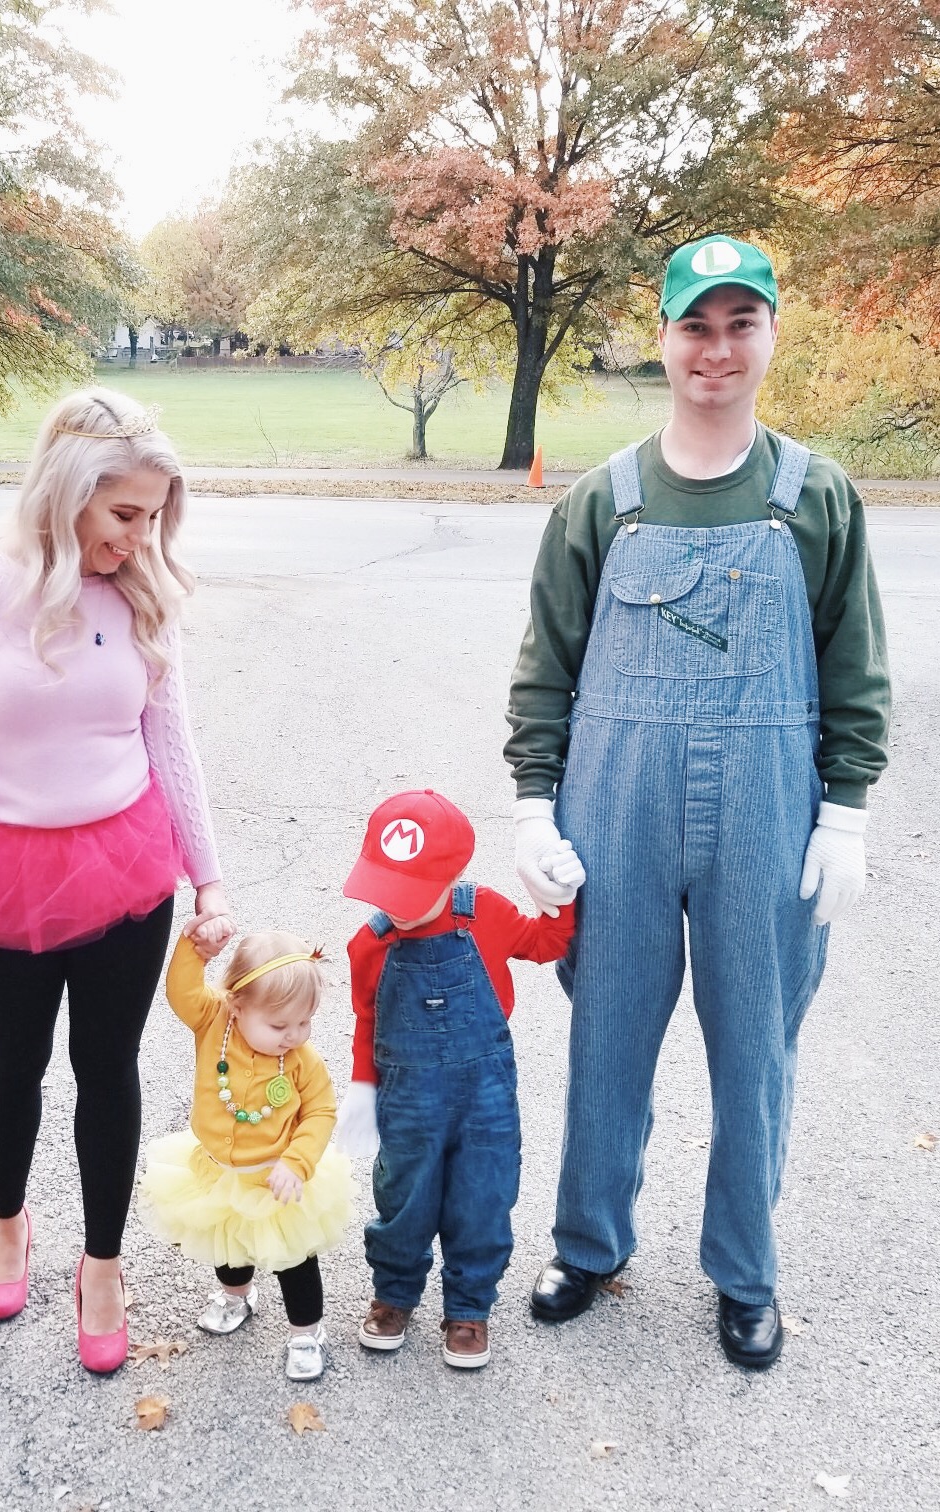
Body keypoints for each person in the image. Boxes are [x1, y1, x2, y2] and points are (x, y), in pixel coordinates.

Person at [505, 236, 891, 1369]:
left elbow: (852, 667)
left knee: (754, 1046)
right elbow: (545, 667)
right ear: (662, 339)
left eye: (738, 324)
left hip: (769, 806)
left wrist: (847, 810)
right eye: (693, 325)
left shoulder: (812, 495)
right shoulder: (600, 501)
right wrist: (534, 802)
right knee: (607, 1035)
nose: (714, 348)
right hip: (614, 801)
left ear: (769, 336)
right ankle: (588, 1243)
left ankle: (743, 1269)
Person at [0, 389, 230, 1374]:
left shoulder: (137, 591)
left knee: (108, 1066)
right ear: (65, 496)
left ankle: (101, 1264)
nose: (139, 540)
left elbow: (168, 741)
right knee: (11, 1065)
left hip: (126, 871)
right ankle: (8, 1225)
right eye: (123, 515)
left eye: (154, 518)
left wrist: (209, 879)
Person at [335, 790, 581, 1367]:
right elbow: (368, 1019)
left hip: (485, 1099)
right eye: (384, 889)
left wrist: (562, 897)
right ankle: (394, 1295)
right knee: (403, 1198)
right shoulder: (370, 943)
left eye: (409, 893)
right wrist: (361, 1089)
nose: (394, 907)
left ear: (453, 874)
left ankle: (469, 1307)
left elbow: (546, 944)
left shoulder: (485, 913)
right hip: (407, 1100)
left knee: (483, 1198)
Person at [138, 928, 352, 1381]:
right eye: (279, 1026)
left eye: (304, 1022)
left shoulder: (300, 1060)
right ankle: (237, 1295)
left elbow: (321, 1109)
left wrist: (298, 1161)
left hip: (277, 1175)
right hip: (219, 1172)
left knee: (294, 1259)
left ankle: (306, 1332)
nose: (293, 1035)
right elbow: (182, 991)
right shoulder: (213, 1022)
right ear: (237, 1005)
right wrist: (192, 952)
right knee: (228, 1243)